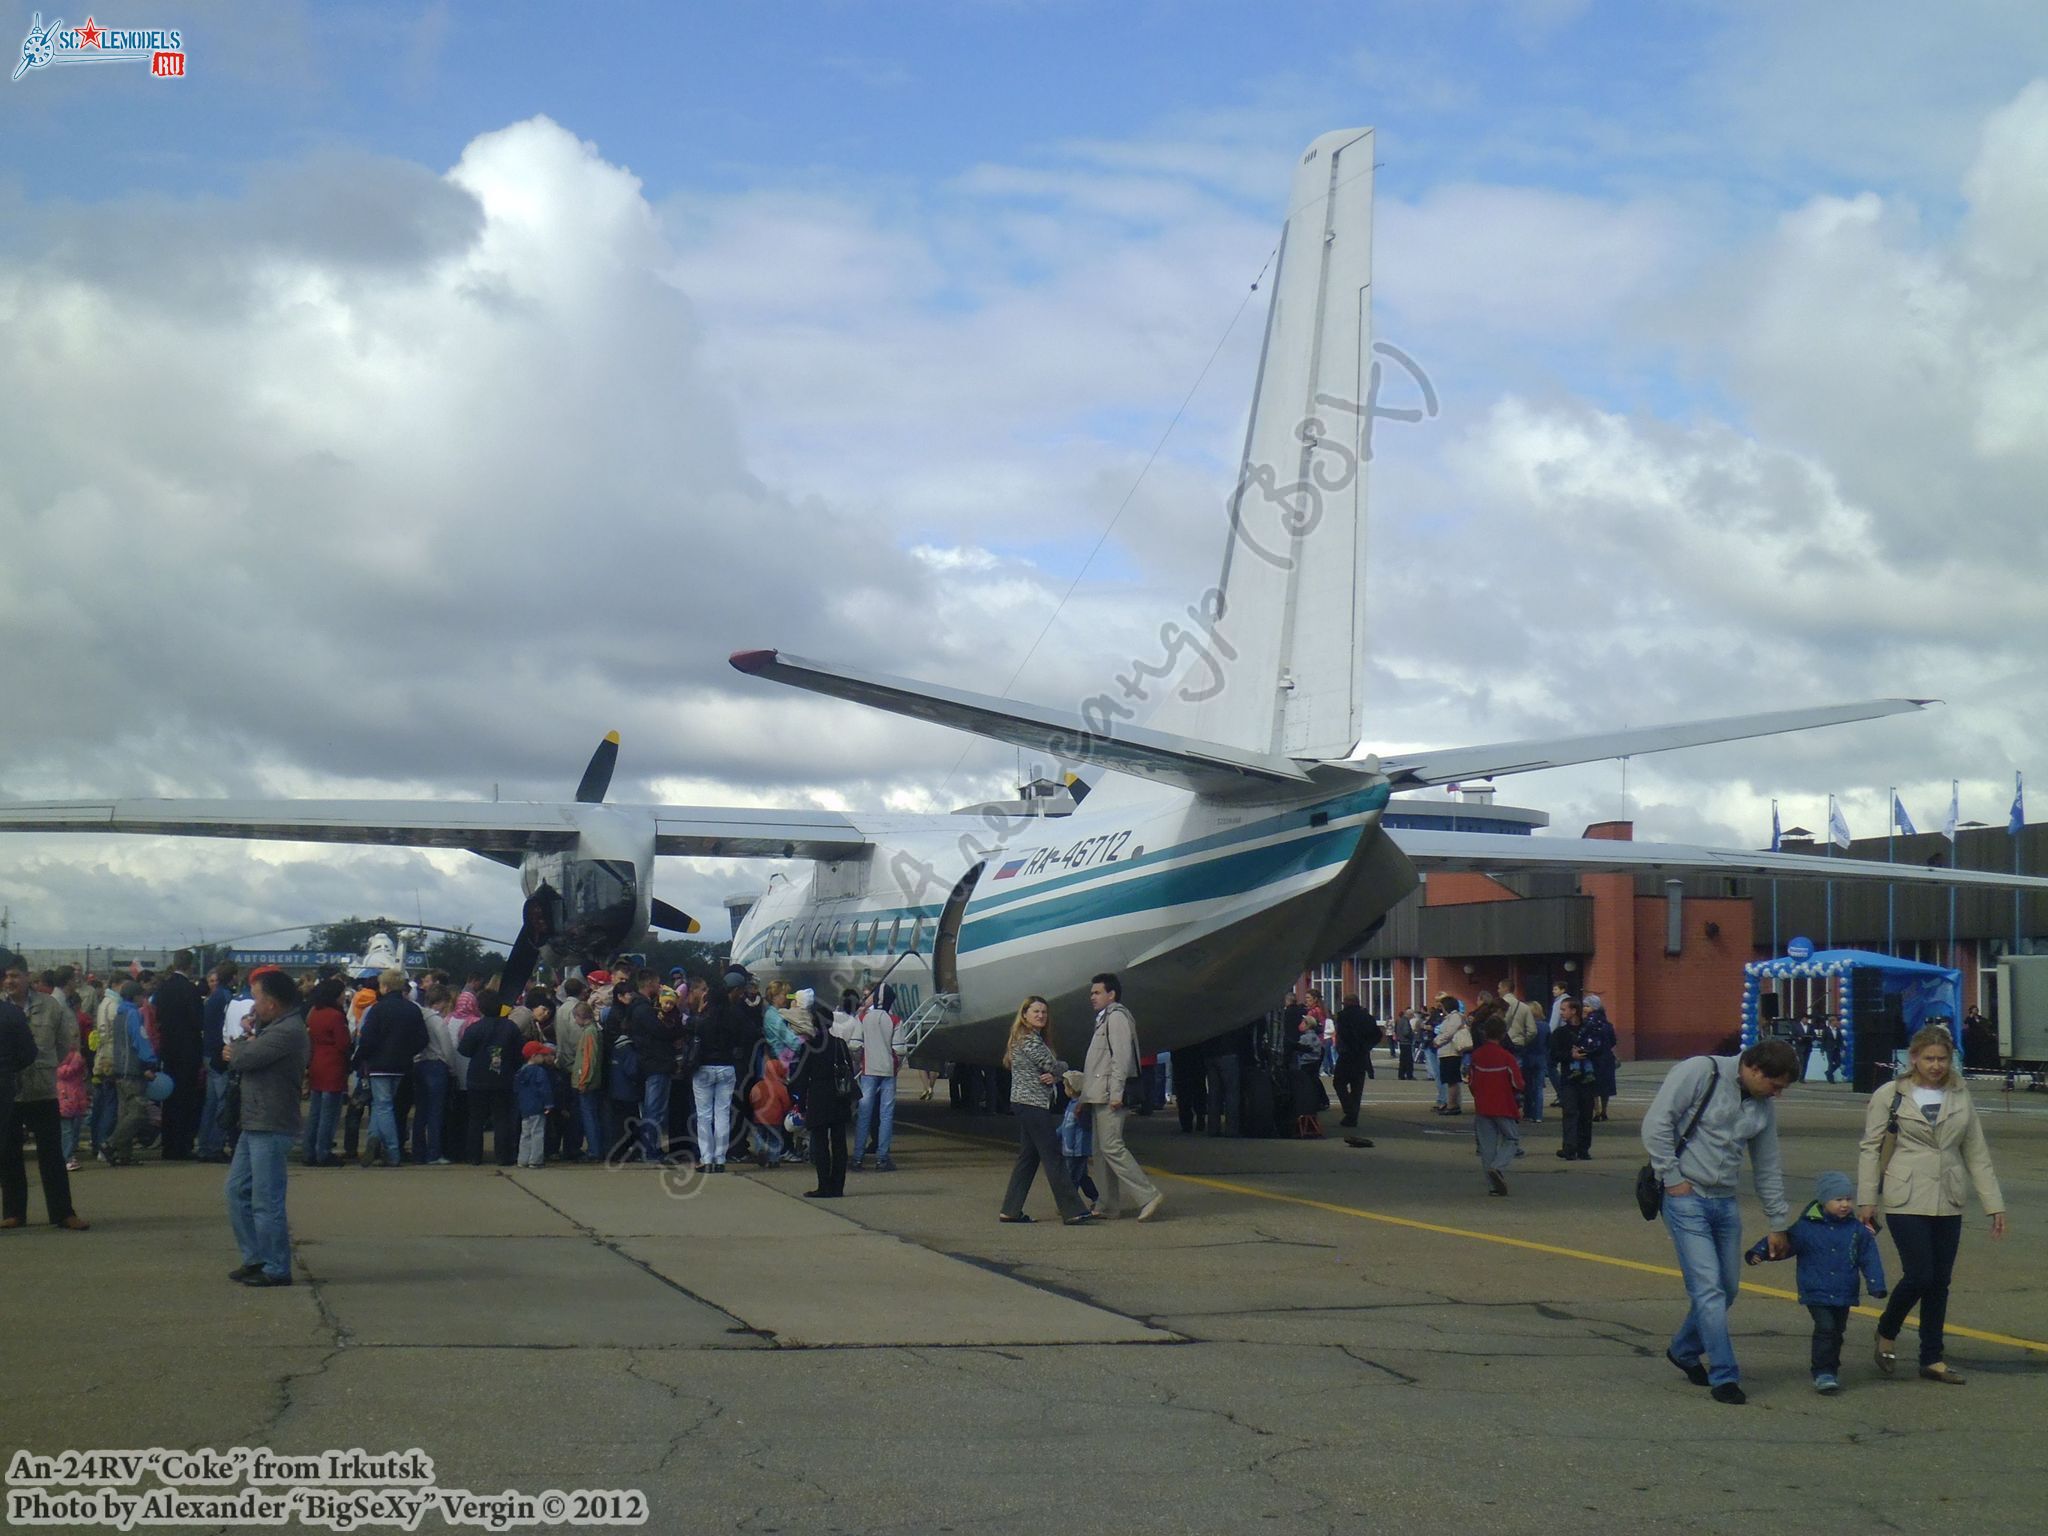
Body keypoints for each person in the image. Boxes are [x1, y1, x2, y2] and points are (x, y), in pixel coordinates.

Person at [1641, 1039, 1797, 1404]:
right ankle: (1725, 1376)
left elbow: (1768, 1165)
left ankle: (1683, 1350)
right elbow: (1656, 1124)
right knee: (1708, 1289)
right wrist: (1672, 1178)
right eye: (1775, 1086)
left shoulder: (1761, 1105)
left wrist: (1778, 1222)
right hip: (1685, 1197)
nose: (1777, 1095)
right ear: (1754, 1069)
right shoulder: (1700, 1071)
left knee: (1727, 1289)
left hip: (1724, 1202)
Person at [1857, 1024, 2007, 1385]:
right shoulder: (1890, 1094)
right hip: (1905, 1195)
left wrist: (1993, 1204)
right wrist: (1867, 1200)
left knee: (1940, 1281)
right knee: (1920, 1274)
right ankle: (1887, 1329)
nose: (1937, 1065)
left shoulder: (1960, 1094)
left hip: (1949, 1195)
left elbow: (1975, 1150)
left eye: (1943, 1059)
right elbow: (1870, 1148)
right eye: (1929, 1058)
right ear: (1914, 1058)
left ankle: (1932, 1358)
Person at [1745, 1171, 1887, 1393]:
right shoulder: (1806, 1227)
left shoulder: (1857, 1230)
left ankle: (1831, 1367)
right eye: (1838, 1200)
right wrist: (1760, 1252)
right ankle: (1822, 1372)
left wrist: (1876, 1284)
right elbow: (1786, 1242)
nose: (1844, 1205)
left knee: (1837, 1330)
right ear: (1823, 1200)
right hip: (1816, 1289)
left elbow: (1869, 1257)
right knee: (1825, 1327)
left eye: (1848, 1199)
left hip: (1844, 1289)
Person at [224, 969, 309, 1286]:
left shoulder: (287, 1031)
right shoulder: (276, 1027)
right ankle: (255, 1256)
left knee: (266, 1198)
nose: (253, 1004)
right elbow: (246, 1052)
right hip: (256, 1120)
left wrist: (239, 1048)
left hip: (271, 1122)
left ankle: (276, 1266)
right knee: (236, 1191)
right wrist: (246, 1042)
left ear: (272, 1003)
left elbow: (246, 1058)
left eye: (257, 998)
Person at [0, 962, 87, 1231]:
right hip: (9, 1093)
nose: (10, 981)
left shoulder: (50, 1006)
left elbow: (64, 1045)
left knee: (51, 1155)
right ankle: (14, 1213)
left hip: (43, 1090)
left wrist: (47, 1067)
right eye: (6, 977)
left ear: (28, 977)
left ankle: (63, 1213)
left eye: (15, 976)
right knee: (9, 1155)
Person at [996, 998, 1093, 1225]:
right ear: (1025, 1014)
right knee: (1053, 1156)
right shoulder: (1029, 1039)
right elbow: (1052, 1064)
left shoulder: (1026, 1038)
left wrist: (1055, 1075)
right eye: (1036, 1011)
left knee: (1028, 1158)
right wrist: (1063, 1068)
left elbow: (1050, 1070)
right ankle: (1072, 1210)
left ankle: (1010, 1210)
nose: (1040, 1015)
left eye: (1044, 1012)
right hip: (1032, 1104)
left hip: (1026, 1103)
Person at [1081, 974, 1164, 1221]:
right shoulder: (1104, 1019)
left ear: (1111, 994)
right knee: (1100, 1151)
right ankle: (1108, 1204)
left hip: (1109, 1094)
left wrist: (1116, 1093)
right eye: (1092, 993)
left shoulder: (1117, 1018)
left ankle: (1148, 1195)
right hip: (1098, 1094)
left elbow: (1121, 1058)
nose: (1092, 997)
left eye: (1097, 992)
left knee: (1112, 1147)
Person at [353, 968, 426, 1167]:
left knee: (383, 1106)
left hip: (378, 1064)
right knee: (381, 1105)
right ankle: (373, 1141)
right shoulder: (413, 1009)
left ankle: (392, 1152)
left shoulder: (378, 1009)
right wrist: (407, 1053)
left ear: (384, 987)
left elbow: (367, 1040)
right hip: (402, 1065)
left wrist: (359, 1059)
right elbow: (422, 1039)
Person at [694, 969, 757, 1173]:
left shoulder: (704, 1018)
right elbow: (748, 1034)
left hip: (704, 1067)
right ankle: (720, 1158)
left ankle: (706, 1158)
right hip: (727, 1066)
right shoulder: (734, 1017)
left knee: (704, 1115)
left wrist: (699, 1011)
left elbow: (692, 1033)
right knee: (722, 1114)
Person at [789, 1000, 853, 1197]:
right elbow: (849, 1069)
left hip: (818, 1096)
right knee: (839, 1143)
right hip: (839, 1096)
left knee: (820, 1143)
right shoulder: (840, 1044)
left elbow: (801, 1076)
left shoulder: (810, 1046)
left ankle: (824, 1185)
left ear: (815, 1023)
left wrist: (799, 1102)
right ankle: (838, 1186)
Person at [151, 952, 206, 1160]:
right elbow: (197, 1021)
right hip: (188, 1050)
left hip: (169, 1048)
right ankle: (182, 1145)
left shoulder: (163, 988)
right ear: (190, 966)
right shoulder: (189, 990)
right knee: (186, 1099)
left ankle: (169, 1143)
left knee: (170, 1100)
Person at [100, 981, 160, 1165]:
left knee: (124, 1113)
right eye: (142, 995)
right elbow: (140, 1039)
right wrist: (150, 1062)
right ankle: (110, 1144)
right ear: (135, 996)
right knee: (138, 1112)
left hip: (119, 1069)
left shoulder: (119, 1014)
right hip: (132, 1071)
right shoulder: (133, 1014)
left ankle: (124, 1154)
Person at [458, 1002, 524, 1167]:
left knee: (476, 1119)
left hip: (477, 1078)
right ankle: (503, 1155)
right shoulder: (510, 1027)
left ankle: (474, 1156)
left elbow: (464, 1050)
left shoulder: (475, 1027)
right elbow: (519, 1052)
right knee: (502, 1118)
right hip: (503, 1078)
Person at [1467, 1017, 1523, 1197]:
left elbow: (1471, 1082)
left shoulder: (1477, 1056)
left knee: (1487, 1147)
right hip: (1503, 1104)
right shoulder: (1507, 1057)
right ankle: (1497, 1167)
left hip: (1482, 1105)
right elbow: (1518, 1083)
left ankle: (1492, 1187)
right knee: (1512, 1139)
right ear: (1503, 1034)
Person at [851, 989, 902, 1173]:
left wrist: (861, 1056)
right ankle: (882, 1158)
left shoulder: (864, 1018)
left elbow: (854, 1043)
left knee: (864, 1113)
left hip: (868, 1070)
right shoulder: (895, 1020)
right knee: (886, 1115)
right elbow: (900, 1048)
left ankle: (857, 1158)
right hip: (888, 1071)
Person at [302, 978, 350, 1167]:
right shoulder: (336, 1016)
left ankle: (309, 1150)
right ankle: (323, 1151)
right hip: (333, 1065)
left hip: (317, 1063)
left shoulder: (315, 1013)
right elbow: (343, 1043)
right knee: (329, 1114)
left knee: (315, 1112)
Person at [196, 962, 238, 1161]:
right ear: (233, 977)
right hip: (218, 1054)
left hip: (208, 1053)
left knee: (211, 1103)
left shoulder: (213, 997)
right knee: (223, 1103)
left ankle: (205, 1144)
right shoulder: (226, 998)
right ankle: (215, 1145)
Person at [1549, 997, 1597, 1160]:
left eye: (1564, 1009)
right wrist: (1570, 1055)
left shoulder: (1590, 1030)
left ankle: (1583, 1148)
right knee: (1570, 1112)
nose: (1561, 1013)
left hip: (1587, 1078)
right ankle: (1569, 1147)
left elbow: (1600, 1048)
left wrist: (1586, 1053)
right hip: (1569, 1078)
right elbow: (1554, 1055)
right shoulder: (1560, 1033)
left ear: (1574, 1011)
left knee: (1585, 1113)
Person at [1332, 995, 1378, 1128]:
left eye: (1344, 1003)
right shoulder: (1367, 1017)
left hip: (1347, 1054)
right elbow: (1377, 1035)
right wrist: (1366, 1045)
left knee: (1339, 1083)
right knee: (1357, 1087)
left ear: (1348, 1003)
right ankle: (1352, 1116)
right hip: (1362, 1055)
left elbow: (1344, 1034)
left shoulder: (1343, 1016)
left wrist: (1348, 1045)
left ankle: (1350, 1110)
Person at [1502, 983, 1546, 1123]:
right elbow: (1533, 1032)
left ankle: (1511, 1110)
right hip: (1527, 1049)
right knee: (1528, 1083)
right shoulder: (1525, 1009)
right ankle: (1532, 1113)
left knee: (1509, 1080)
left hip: (1510, 1047)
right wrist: (1523, 1041)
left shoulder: (1499, 1006)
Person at [514, 1041, 557, 1168]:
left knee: (525, 1133)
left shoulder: (521, 1071)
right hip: (537, 1106)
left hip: (525, 1107)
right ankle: (536, 1160)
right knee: (537, 1133)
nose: (544, 1058)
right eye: (542, 1055)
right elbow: (545, 1089)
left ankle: (523, 1159)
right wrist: (548, 1104)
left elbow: (516, 1089)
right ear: (534, 1056)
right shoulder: (539, 1071)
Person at [1581, 994, 1620, 1120]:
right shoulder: (1607, 1024)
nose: (1584, 1008)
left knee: (1593, 1086)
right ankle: (1604, 1110)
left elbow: (1582, 1039)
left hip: (1593, 1057)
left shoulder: (1587, 1023)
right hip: (1607, 1058)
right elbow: (1613, 1041)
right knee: (1605, 1086)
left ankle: (1596, 1112)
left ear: (1594, 1007)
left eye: (1587, 1006)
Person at [1432, 997, 1472, 1116]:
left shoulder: (1455, 1017)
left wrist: (1437, 1041)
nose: (1441, 1009)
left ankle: (1452, 1105)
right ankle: (1451, 1103)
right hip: (1446, 1052)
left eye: (1442, 1006)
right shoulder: (1451, 1017)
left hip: (1451, 1052)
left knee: (1452, 1080)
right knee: (1449, 1080)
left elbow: (1449, 1032)